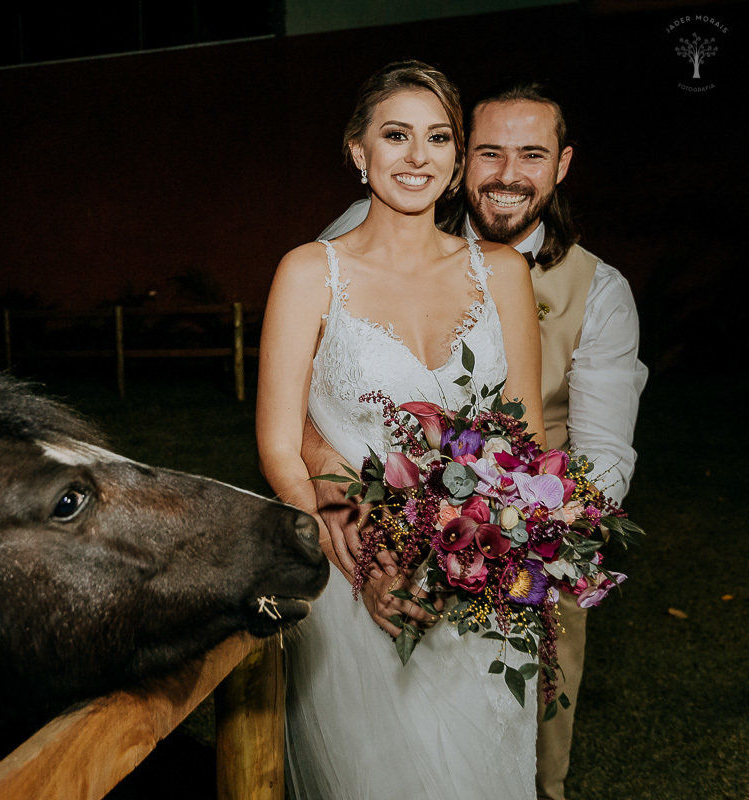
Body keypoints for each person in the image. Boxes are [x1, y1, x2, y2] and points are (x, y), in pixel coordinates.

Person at [312, 81, 648, 800]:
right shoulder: (371, 227)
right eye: (488, 152)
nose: (506, 174)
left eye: (531, 154)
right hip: (374, 533)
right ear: (463, 162)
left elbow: (605, 452)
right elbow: (317, 390)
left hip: (519, 547)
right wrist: (331, 480)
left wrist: (529, 527)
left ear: (561, 166)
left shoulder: (603, 292)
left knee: (523, 759)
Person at [257, 61, 546, 799]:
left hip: (480, 591)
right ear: (359, 151)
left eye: (438, 138)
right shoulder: (307, 273)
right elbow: (282, 446)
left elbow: (527, 448)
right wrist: (365, 552)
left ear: (455, 163)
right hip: (356, 582)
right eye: (396, 135)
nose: (417, 156)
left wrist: (501, 562)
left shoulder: (505, 273)